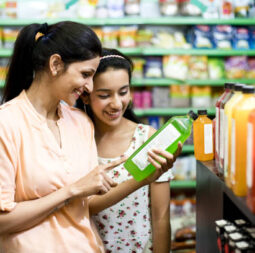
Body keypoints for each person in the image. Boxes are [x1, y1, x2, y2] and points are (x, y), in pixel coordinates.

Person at [0, 22, 180, 253]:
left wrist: (145, 178)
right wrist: (71, 191)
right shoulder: (7, 123)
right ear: (55, 64)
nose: (89, 87)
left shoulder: (80, 123)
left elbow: (86, 205)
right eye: (86, 74)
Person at [80, 48, 182, 253]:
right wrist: (141, 179)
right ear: (85, 96)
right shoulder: (78, 139)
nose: (116, 103)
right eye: (104, 95)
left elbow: (161, 216)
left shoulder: (147, 138)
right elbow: (79, 208)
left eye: (123, 92)